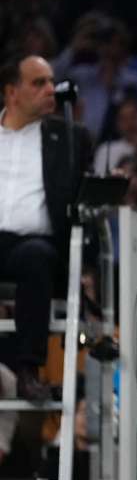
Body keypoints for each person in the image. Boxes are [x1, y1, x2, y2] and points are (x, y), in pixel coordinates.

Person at [0, 53, 92, 400]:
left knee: (37, 257)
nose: (51, 89)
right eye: (39, 83)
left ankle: (28, 371)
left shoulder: (70, 138)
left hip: (33, 246)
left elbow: (82, 197)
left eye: (52, 81)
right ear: (12, 93)